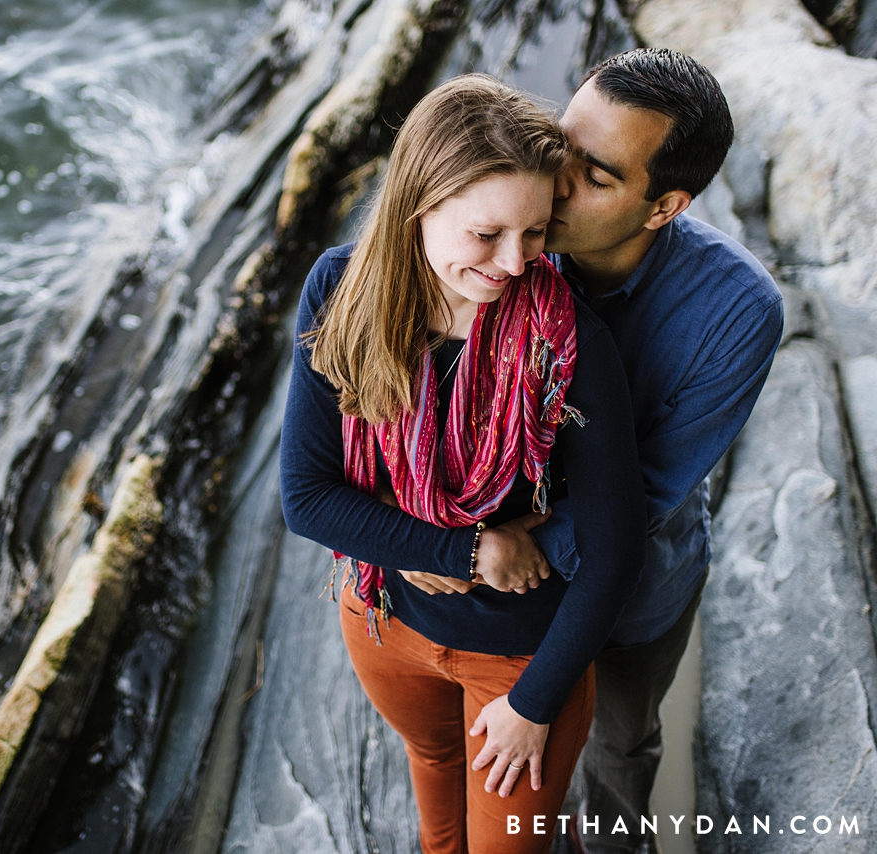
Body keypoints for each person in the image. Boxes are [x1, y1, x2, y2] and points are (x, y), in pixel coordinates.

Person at [279, 74, 647, 854]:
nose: (515, 264)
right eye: (487, 235)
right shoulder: (340, 290)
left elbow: (617, 550)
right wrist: (467, 548)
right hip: (384, 622)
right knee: (436, 796)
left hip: (522, 659)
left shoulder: (565, 341)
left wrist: (535, 703)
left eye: (537, 233)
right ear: (420, 203)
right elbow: (307, 497)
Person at [468, 50, 784, 854]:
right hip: (488, 565)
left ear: (663, 206)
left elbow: (649, 493)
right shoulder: (503, 242)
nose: (555, 182)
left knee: (620, 741)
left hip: (635, 583)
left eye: (596, 175)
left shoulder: (738, 311)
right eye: (560, 145)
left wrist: (493, 551)